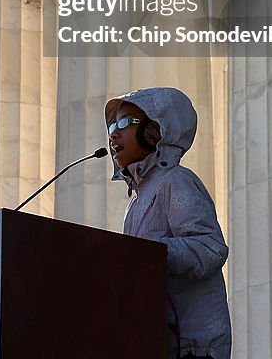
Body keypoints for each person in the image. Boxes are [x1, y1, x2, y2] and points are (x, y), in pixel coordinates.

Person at [106, 86, 232, 359]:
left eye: (125, 122)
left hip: (193, 348)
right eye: (113, 125)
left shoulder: (176, 180)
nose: (113, 133)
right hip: (156, 344)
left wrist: (148, 252)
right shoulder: (136, 203)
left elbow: (209, 247)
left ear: (157, 128)